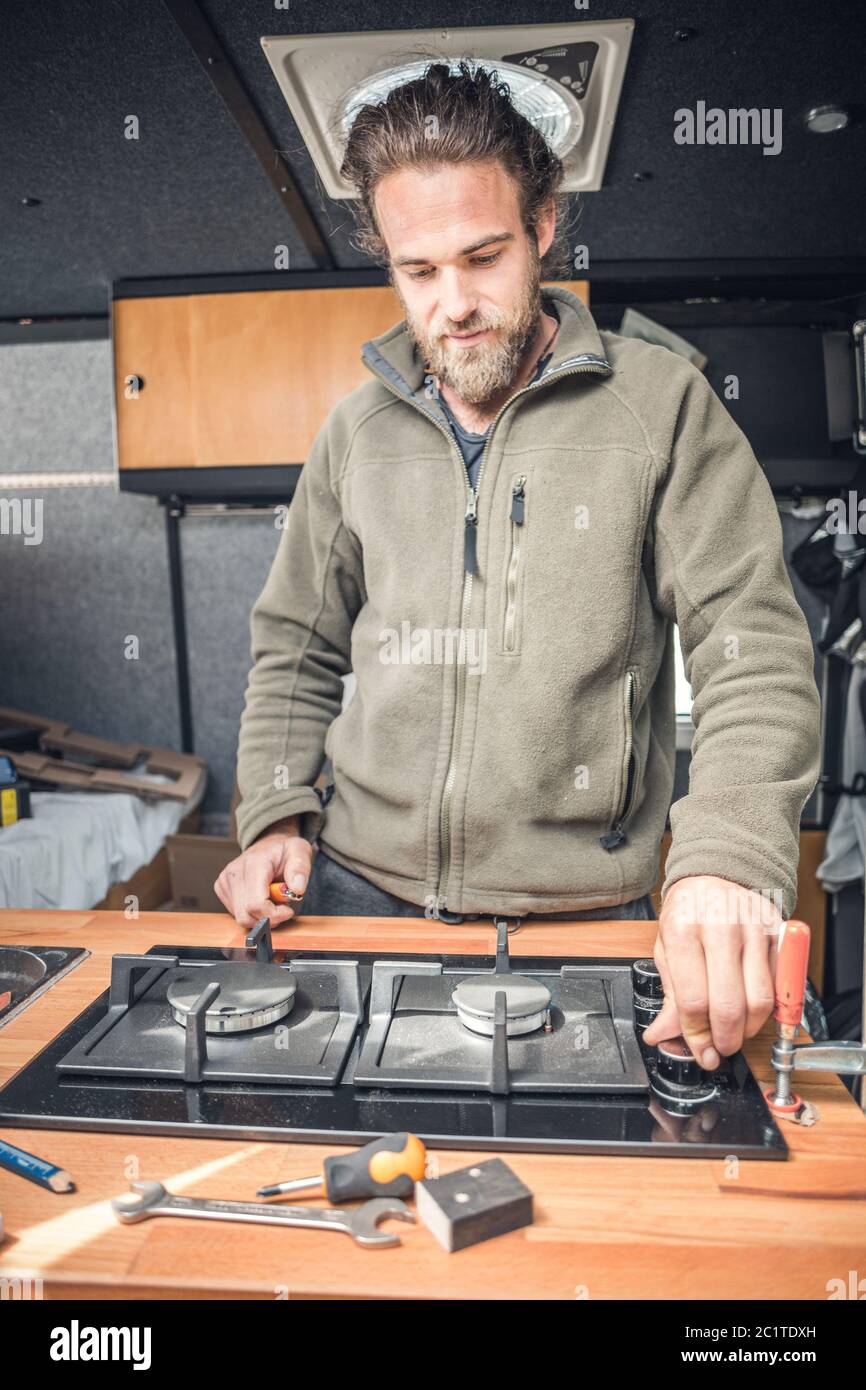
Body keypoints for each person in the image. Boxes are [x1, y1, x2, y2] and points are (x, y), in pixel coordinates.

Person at [216, 62, 822, 1072]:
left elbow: (749, 643)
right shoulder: (356, 430)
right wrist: (274, 809)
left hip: (583, 917)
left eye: (481, 256)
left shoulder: (659, 407)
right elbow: (297, 641)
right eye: (416, 271)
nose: (451, 303)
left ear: (542, 227)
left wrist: (722, 857)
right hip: (356, 900)